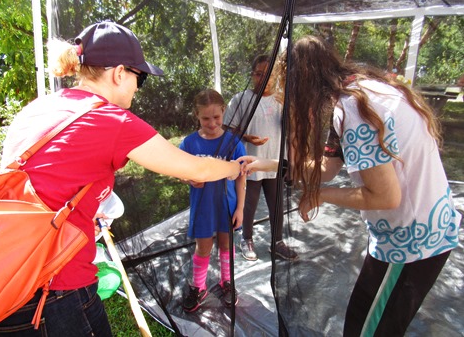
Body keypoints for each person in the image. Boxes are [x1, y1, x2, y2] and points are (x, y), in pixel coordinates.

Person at [0, 20, 241, 336]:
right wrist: (235, 167)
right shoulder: (112, 120)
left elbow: (43, 180)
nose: (138, 87)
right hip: (53, 291)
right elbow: (197, 169)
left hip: (6, 277)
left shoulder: (39, 108)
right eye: (141, 77)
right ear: (119, 73)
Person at [239, 35, 461, 336]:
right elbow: (327, 168)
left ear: (303, 85)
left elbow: (385, 195)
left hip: (412, 242)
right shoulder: (361, 91)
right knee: (361, 318)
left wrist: (318, 195)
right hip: (420, 231)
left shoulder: (355, 111)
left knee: (366, 329)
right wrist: (268, 164)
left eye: (290, 94)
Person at [224, 54, 298, 261]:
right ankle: (246, 239)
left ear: (275, 76)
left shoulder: (281, 99)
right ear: (252, 75)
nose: (263, 78)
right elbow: (227, 128)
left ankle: (277, 242)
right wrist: (247, 137)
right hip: (251, 163)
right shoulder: (241, 99)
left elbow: (292, 130)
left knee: (277, 205)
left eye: (268, 74)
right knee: (249, 203)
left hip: (275, 162)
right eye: (258, 74)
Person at [179, 89, 246, 312]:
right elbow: (180, 171)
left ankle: (227, 282)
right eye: (206, 118)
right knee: (203, 247)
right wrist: (189, 179)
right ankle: (199, 287)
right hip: (203, 208)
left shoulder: (233, 143)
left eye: (216, 117)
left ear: (224, 111)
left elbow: (241, 177)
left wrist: (241, 208)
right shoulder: (189, 143)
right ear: (196, 115)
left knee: (227, 245)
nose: (212, 123)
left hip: (226, 206)